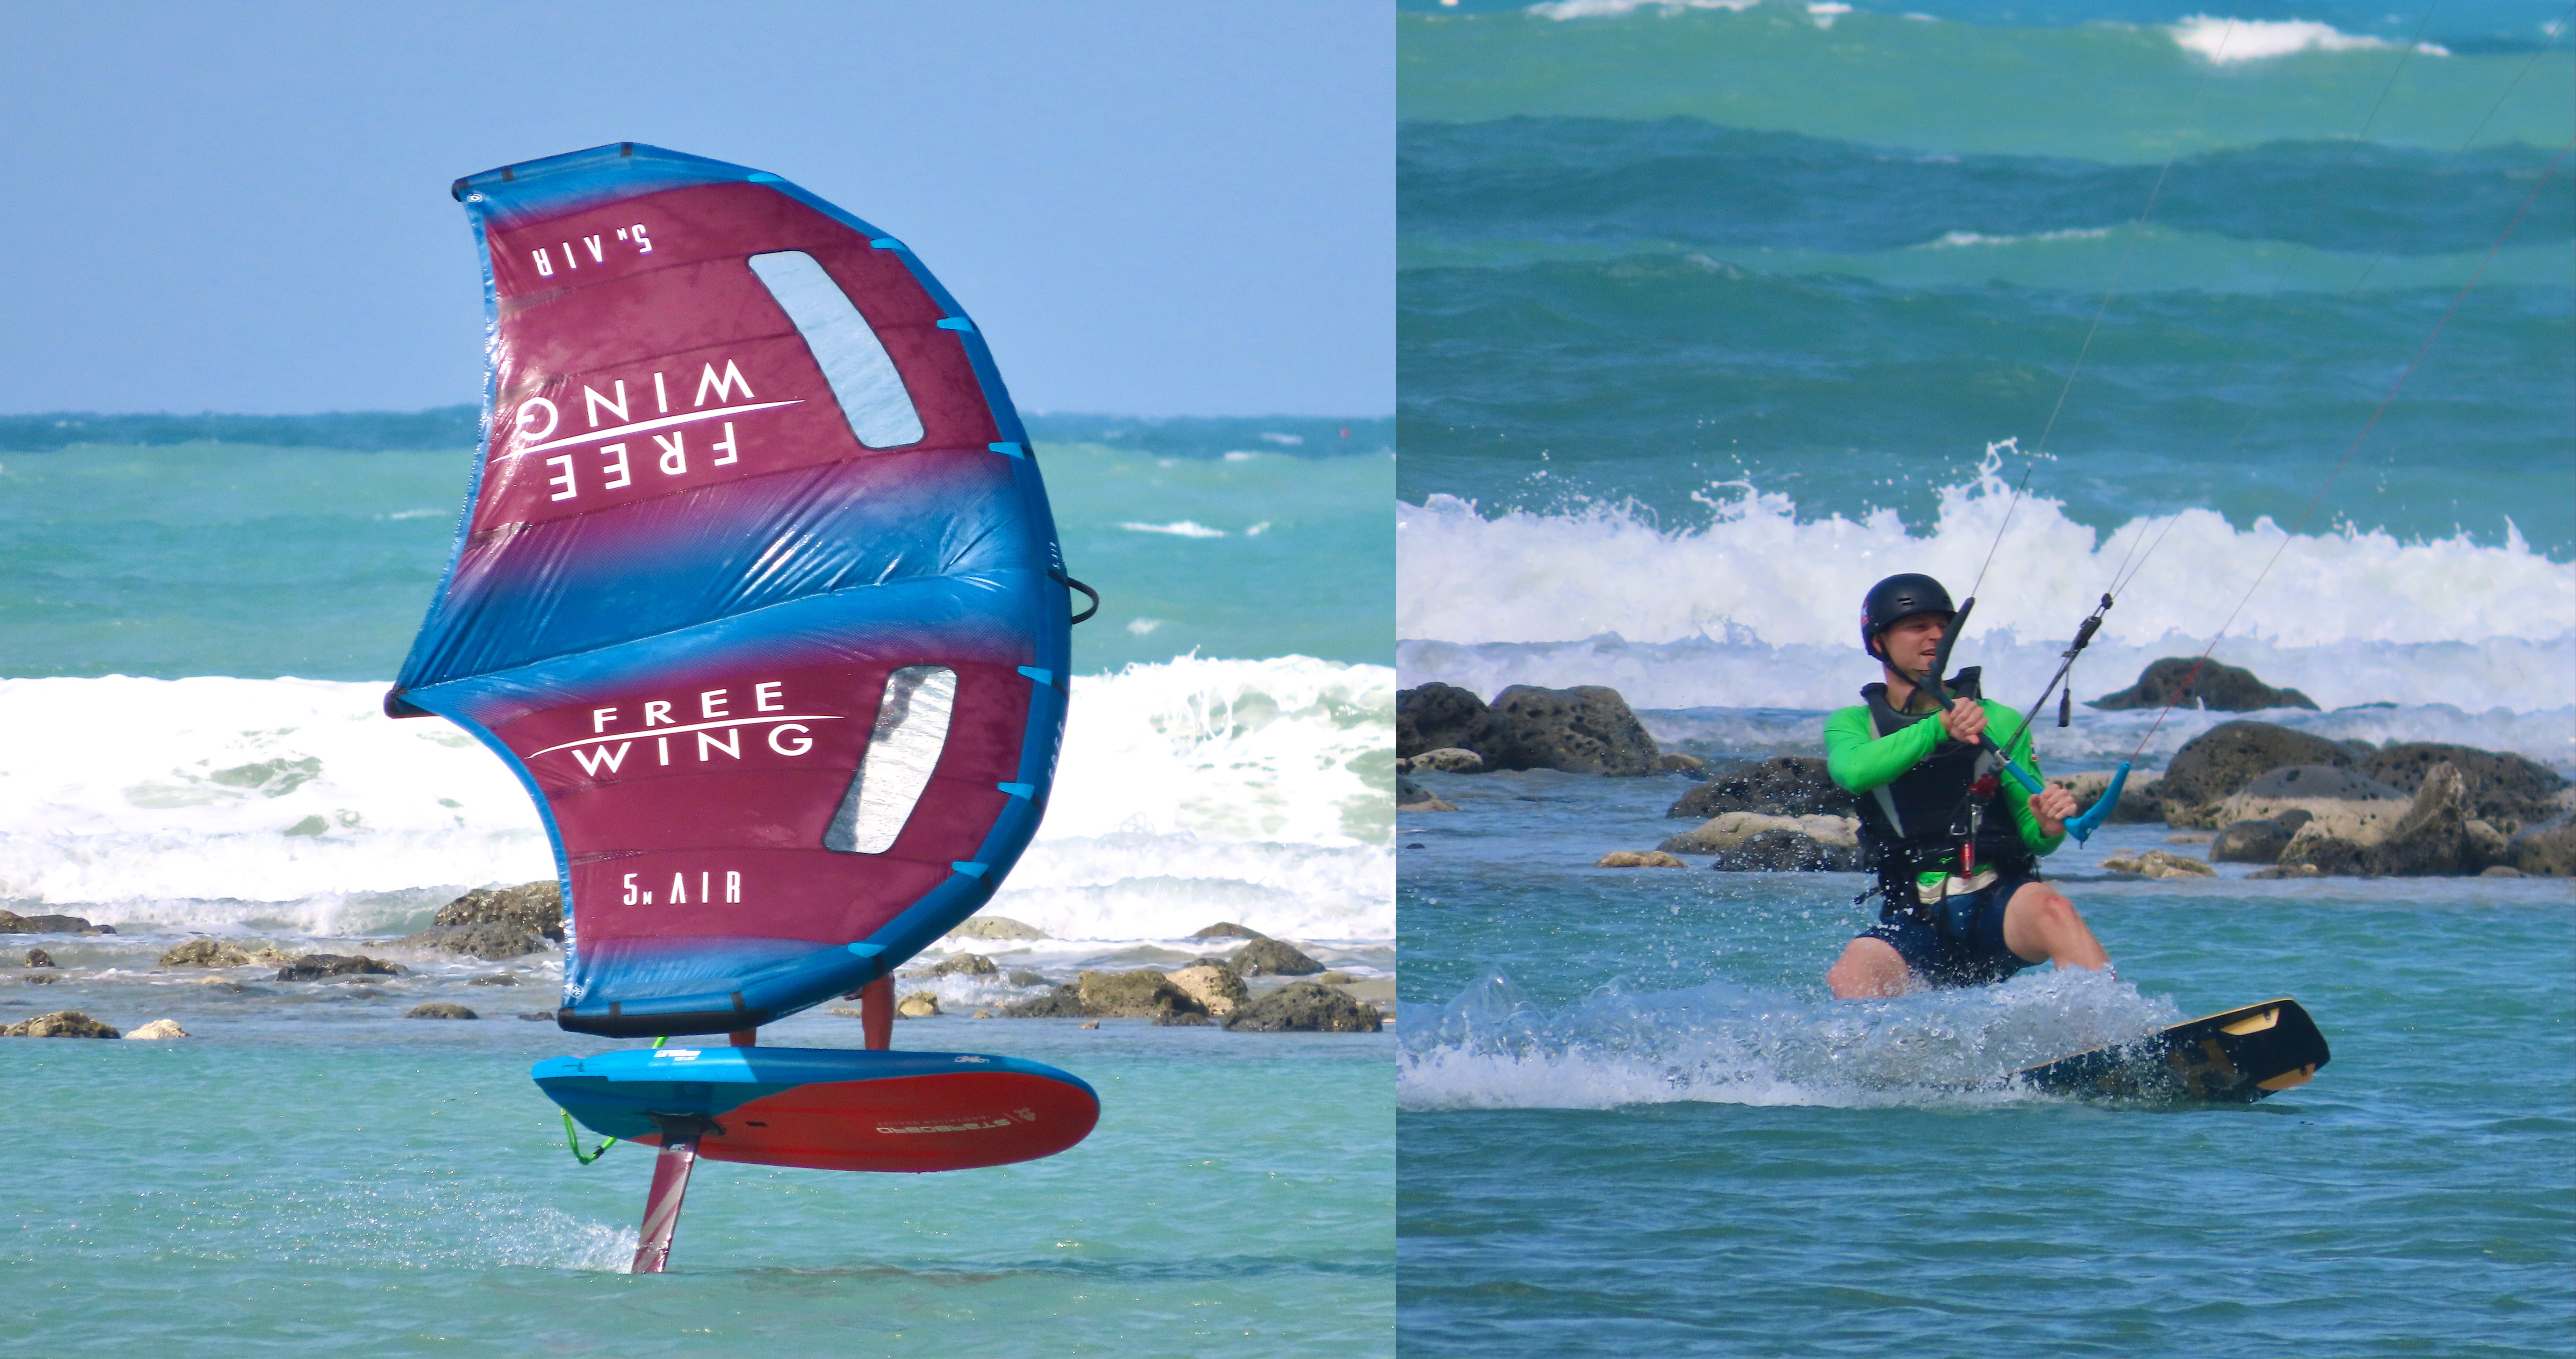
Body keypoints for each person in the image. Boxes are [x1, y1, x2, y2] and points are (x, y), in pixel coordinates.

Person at [1821, 573, 2111, 998]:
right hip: (1913, 917)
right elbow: (1853, 771)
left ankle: (2118, 1041)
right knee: (1849, 977)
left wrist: (2047, 827)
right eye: (1917, 627)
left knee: (2055, 910)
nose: (1935, 636)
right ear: (1879, 642)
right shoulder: (1852, 723)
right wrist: (1938, 727)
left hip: (1998, 904)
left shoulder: (1997, 718)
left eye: (1943, 626)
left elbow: (2035, 837)